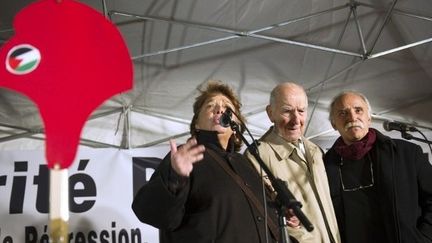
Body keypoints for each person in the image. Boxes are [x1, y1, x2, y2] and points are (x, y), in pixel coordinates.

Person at [132, 80, 281, 243]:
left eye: (227, 107)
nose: (219, 109)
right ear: (196, 123)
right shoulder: (187, 155)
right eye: (210, 106)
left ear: (236, 124)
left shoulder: (246, 163)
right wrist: (175, 178)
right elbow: (149, 212)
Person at [324, 91, 432, 243]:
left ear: (369, 118)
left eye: (358, 110)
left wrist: (424, 238)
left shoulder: (407, 153)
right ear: (333, 124)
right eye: (342, 113)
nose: (352, 117)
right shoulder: (324, 167)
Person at [245, 82, 340, 243]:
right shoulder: (257, 156)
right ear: (270, 113)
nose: (296, 120)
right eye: (287, 111)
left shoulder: (316, 151)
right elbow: (270, 216)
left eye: (301, 111)